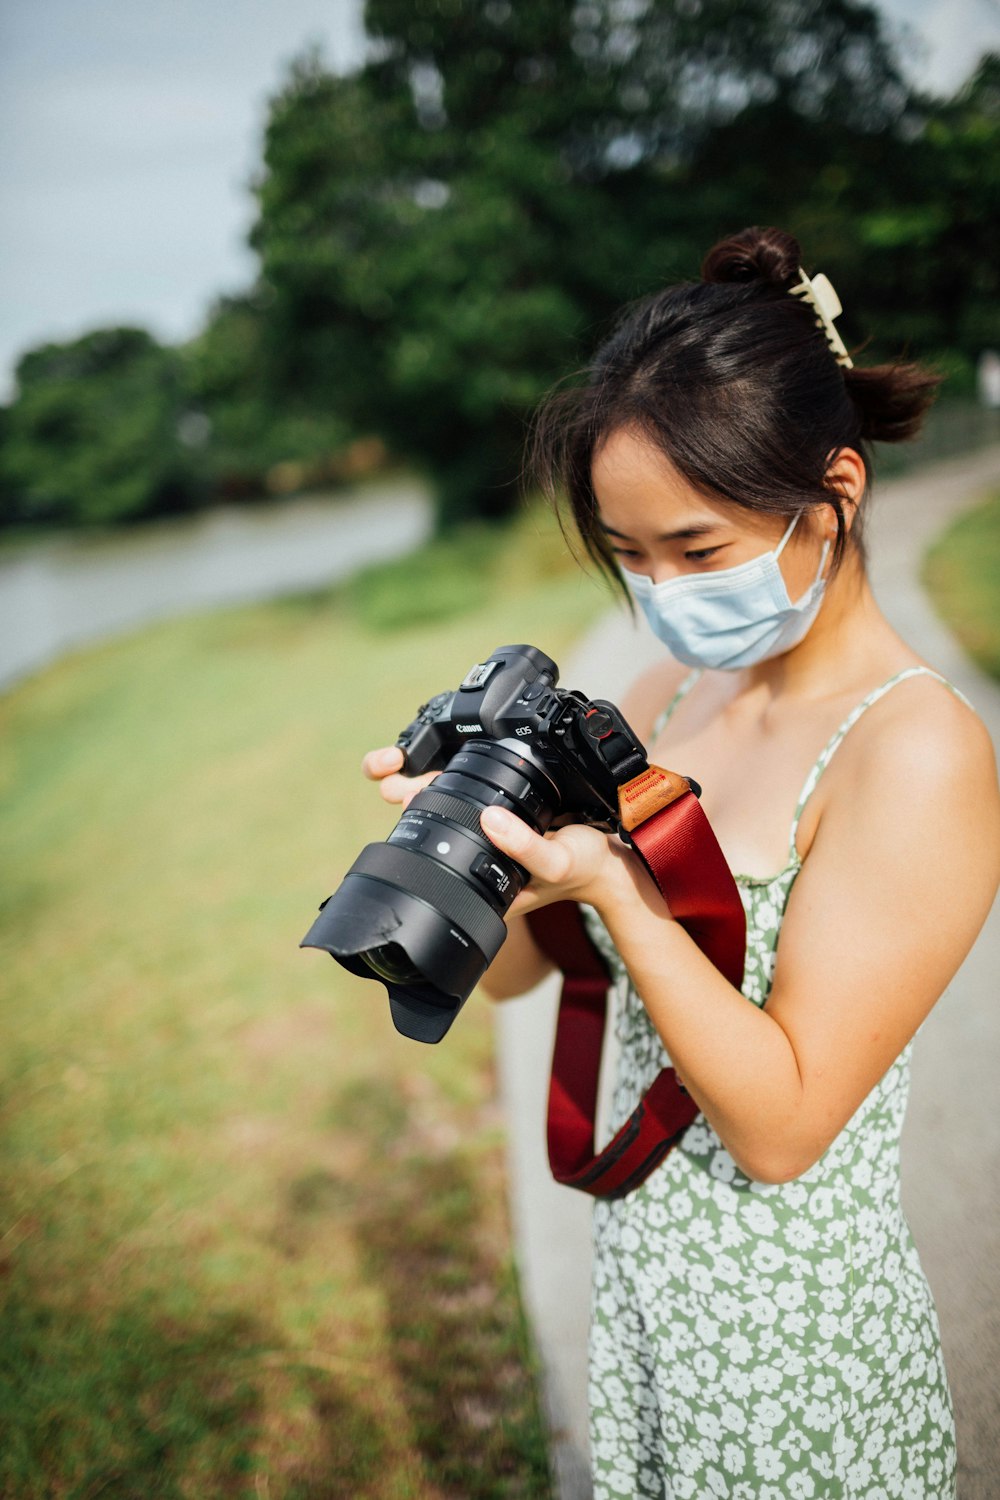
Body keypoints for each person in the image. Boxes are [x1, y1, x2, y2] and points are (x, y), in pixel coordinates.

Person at [362, 226, 1000, 1499]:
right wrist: (463, 856)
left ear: (836, 490)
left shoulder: (914, 749)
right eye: (629, 554)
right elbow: (514, 985)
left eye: (697, 550)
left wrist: (616, 891)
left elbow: (781, 1128)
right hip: (652, 1304)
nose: (659, 593)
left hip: (792, 1352)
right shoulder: (663, 694)